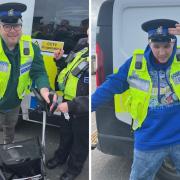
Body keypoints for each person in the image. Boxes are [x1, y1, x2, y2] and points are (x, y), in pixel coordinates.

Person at [92, 19, 180, 180]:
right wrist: (85, 105)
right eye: (156, 46)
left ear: (174, 43)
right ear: (149, 43)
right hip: (149, 140)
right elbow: (111, 85)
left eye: (167, 46)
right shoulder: (135, 64)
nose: (162, 52)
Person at [0, 2, 56, 144]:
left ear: (21, 25)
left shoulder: (31, 48)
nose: (13, 30)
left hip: (14, 103)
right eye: (7, 26)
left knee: (9, 130)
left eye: (17, 25)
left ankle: (8, 152)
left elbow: (39, 72)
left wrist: (44, 89)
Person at [46, 31, 89, 180]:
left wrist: (73, 105)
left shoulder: (96, 53)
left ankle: (74, 169)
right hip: (67, 102)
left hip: (82, 108)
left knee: (80, 142)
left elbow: (96, 91)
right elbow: (68, 69)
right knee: (65, 134)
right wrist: (59, 61)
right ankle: (60, 157)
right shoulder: (82, 47)